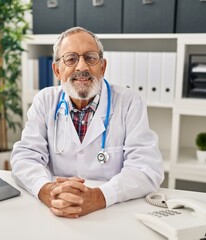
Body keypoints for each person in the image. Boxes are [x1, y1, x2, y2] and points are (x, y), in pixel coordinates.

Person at [10, 27, 164, 218]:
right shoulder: (45, 100)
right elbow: (24, 157)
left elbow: (147, 169)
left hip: (112, 211)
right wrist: (46, 190)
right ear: (57, 70)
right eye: (71, 59)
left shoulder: (130, 102)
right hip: (56, 210)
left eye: (90, 58)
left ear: (102, 67)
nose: (81, 67)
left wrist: (99, 197)